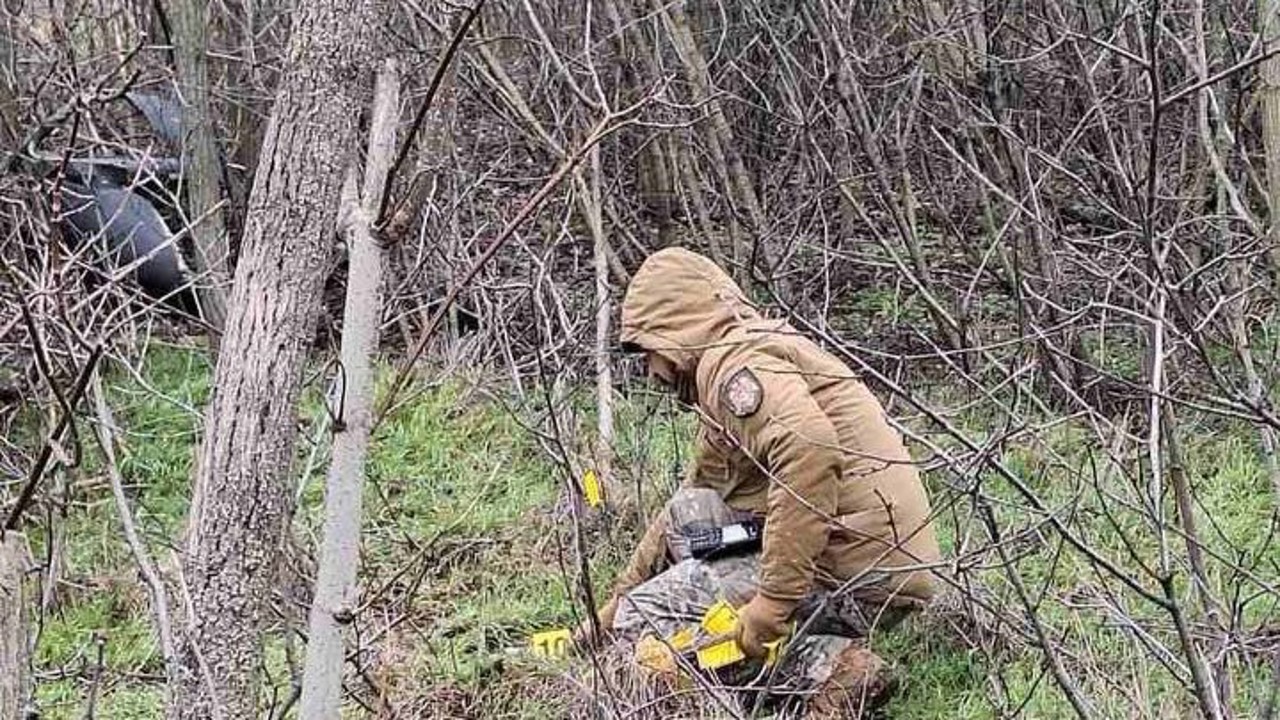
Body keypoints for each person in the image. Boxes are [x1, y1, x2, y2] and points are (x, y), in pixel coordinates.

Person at [576, 247, 941, 717]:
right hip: (863, 555)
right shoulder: (739, 355)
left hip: (854, 575)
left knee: (642, 622)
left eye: (647, 350)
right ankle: (792, 631)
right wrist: (610, 605)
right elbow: (687, 506)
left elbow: (809, 452)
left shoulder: (735, 368)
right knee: (693, 522)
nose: (650, 371)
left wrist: (770, 604)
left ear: (675, 325)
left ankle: (830, 668)